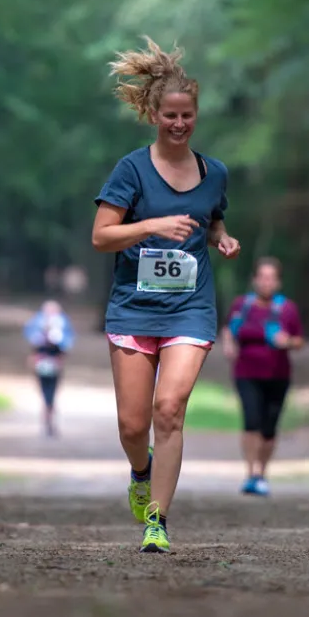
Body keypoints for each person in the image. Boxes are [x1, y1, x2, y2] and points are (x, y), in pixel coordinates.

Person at [91, 36, 241, 554]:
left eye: (188, 115)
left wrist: (221, 237)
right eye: (170, 115)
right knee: (134, 425)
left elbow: (212, 216)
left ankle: (158, 518)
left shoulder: (214, 171)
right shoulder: (131, 170)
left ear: (197, 115)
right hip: (134, 305)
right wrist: (150, 224)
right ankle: (140, 470)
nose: (179, 124)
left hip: (190, 307)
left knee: (170, 408)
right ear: (153, 113)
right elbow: (101, 235)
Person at [220, 257, 306, 497]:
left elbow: (299, 341)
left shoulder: (287, 309)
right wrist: (228, 345)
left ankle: (262, 472)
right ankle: (251, 475)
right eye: (262, 277)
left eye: (271, 278)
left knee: (269, 427)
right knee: (251, 420)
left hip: (278, 375)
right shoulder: (241, 305)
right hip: (246, 373)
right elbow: (228, 329)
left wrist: (286, 341)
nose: (266, 282)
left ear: (278, 282)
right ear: (254, 280)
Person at [22, 300, 76, 438]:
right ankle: (48, 413)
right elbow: (32, 341)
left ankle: (49, 414)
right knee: (44, 391)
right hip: (41, 363)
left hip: (55, 363)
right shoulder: (36, 324)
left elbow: (66, 344)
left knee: (51, 392)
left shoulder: (63, 325)